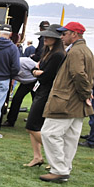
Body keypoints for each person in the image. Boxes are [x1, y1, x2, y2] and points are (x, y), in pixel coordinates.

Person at [39, 21, 94, 183]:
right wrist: (86, 93)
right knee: (70, 137)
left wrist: (86, 93)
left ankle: (59, 169)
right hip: (76, 101)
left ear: (74, 34)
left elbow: (78, 74)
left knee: (49, 133)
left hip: (67, 100)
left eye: (64, 34)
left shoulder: (76, 52)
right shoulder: (87, 51)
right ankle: (64, 168)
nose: (61, 37)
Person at [22, 27, 66, 167]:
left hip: (47, 92)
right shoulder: (47, 52)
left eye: (48, 36)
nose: (45, 39)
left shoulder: (58, 55)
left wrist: (38, 72)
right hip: (41, 90)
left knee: (32, 126)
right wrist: (37, 72)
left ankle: (56, 155)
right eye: (44, 36)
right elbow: (35, 68)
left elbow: (47, 75)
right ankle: (37, 157)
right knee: (34, 126)